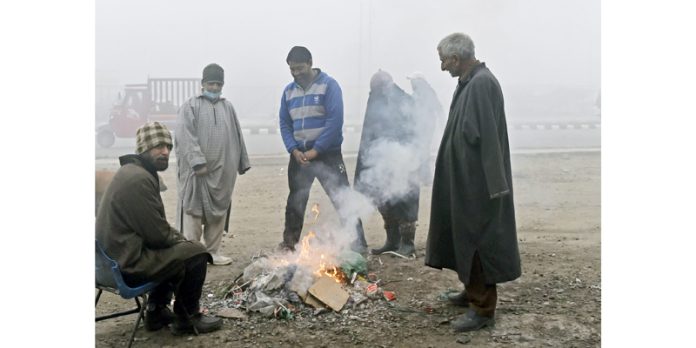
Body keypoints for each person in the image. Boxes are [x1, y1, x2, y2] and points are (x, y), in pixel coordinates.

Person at [425, 33, 521, 332]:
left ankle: (483, 309)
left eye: (444, 61)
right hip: (463, 180)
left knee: (478, 240)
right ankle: (470, 289)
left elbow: (489, 140)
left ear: (456, 58)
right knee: (461, 238)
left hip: (476, 185)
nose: (442, 67)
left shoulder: (481, 84)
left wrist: (493, 186)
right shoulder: (468, 82)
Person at [96, 122, 223, 335]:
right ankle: (187, 319)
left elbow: (153, 231)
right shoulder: (138, 179)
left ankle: (156, 312)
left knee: (178, 251)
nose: (165, 151)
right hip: (126, 265)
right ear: (143, 149)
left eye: (168, 146)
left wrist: (179, 243)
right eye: (157, 146)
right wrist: (186, 244)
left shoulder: (132, 171)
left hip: (109, 264)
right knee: (197, 253)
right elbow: (158, 235)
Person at [278, 46, 367, 253]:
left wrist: (316, 150)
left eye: (299, 68)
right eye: (292, 69)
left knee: (341, 196)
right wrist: (294, 150)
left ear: (310, 62)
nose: (296, 73)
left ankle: (358, 243)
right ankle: (289, 243)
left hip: (328, 154)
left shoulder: (329, 86)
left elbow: (334, 122)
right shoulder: (288, 91)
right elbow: (284, 123)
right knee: (296, 200)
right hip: (299, 156)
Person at [175, 63, 251, 266]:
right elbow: (185, 136)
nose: (215, 87)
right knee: (193, 211)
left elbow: (237, 135)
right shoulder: (190, 106)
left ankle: (213, 252)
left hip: (223, 173)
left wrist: (242, 161)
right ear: (202, 84)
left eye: (218, 84)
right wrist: (197, 162)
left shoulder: (228, 107)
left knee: (219, 212)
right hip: (197, 173)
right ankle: (192, 253)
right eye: (211, 83)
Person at [354, 70, 420, 257]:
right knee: (385, 200)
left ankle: (407, 244)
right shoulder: (375, 100)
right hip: (379, 161)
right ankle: (392, 240)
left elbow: (414, 130)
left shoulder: (404, 101)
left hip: (403, 160)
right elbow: (369, 133)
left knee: (404, 201)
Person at [406, 72, 446, 185]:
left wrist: (442, 124)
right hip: (420, 126)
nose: (411, 84)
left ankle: (425, 177)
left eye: (413, 81)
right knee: (420, 150)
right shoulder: (420, 92)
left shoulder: (426, 93)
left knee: (422, 150)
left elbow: (438, 108)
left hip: (424, 127)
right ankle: (422, 176)